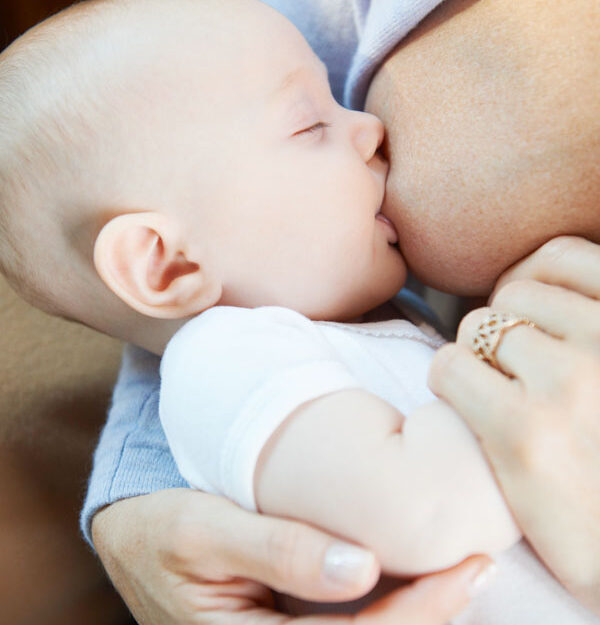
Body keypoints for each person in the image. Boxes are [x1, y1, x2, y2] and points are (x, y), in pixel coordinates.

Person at [1, 0, 598, 624]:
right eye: (310, 125)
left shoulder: (301, 345)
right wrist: (523, 365)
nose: (368, 128)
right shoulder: (224, 362)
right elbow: (422, 514)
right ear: (167, 266)